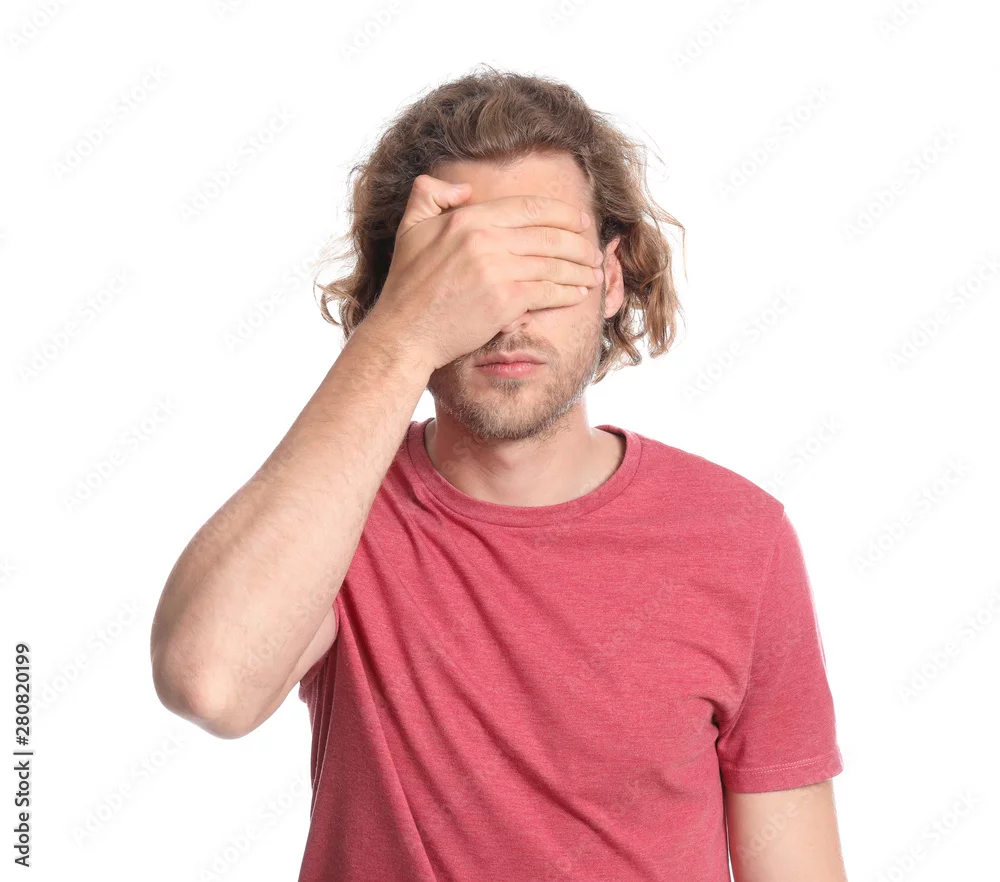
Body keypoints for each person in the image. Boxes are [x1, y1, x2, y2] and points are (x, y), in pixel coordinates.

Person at [150, 65, 847, 881]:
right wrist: (403, 330)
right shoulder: (338, 511)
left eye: (545, 267)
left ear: (610, 278)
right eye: (469, 275)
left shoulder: (738, 536)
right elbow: (210, 682)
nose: (509, 316)